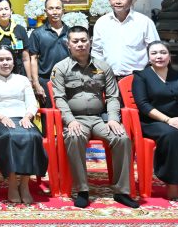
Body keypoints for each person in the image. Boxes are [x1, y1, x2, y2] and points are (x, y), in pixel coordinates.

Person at [50, 26, 139, 208]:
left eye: (84, 40)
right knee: (74, 138)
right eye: (75, 41)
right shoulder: (60, 68)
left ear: (90, 42)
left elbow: (113, 96)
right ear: (68, 44)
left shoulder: (103, 67)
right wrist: (70, 120)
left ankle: (121, 191)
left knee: (121, 138)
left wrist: (114, 118)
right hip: (76, 120)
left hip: (100, 119)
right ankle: (82, 190)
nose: (80, 44)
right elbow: (59, 97)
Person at [132, 41, 178, 201]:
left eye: (163, 52)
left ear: (169, 56)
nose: (159, 56)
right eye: (154, 53)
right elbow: (143, 105)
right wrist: (169, 120)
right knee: (172, 135)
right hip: (152, 122)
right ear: (149, 58)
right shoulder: (141, 76)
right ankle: (171, 182)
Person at [0, 45, 48, 204]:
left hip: (22, 118)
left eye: (8, 59)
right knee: (10, 136)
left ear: (13, 61)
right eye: (1, 60)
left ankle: (24, 184)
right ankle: (11, 183)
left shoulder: (23, 79)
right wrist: (1, 117)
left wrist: (28, 116)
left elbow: (32, 103)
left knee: (32, 136)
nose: (5, 63)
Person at [91, 0, 159, 78]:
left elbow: (155, 49)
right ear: (109, 1)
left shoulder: (144, 22)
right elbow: (96, 51)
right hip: (110, 78)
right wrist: (99, 73)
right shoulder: (101, 23)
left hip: (138, 77)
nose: (118, 1)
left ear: (131, 0)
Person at [27, 0, 69, 108]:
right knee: (48, 117)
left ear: (63, 11)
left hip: (69, 80)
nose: (55, 12)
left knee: (69, 115)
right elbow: (33, 59)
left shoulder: (70, 32)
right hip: (46, 80)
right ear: (45, 11)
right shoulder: (37, 33)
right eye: (51, 8)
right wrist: (36, 83)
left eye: (58, 8)